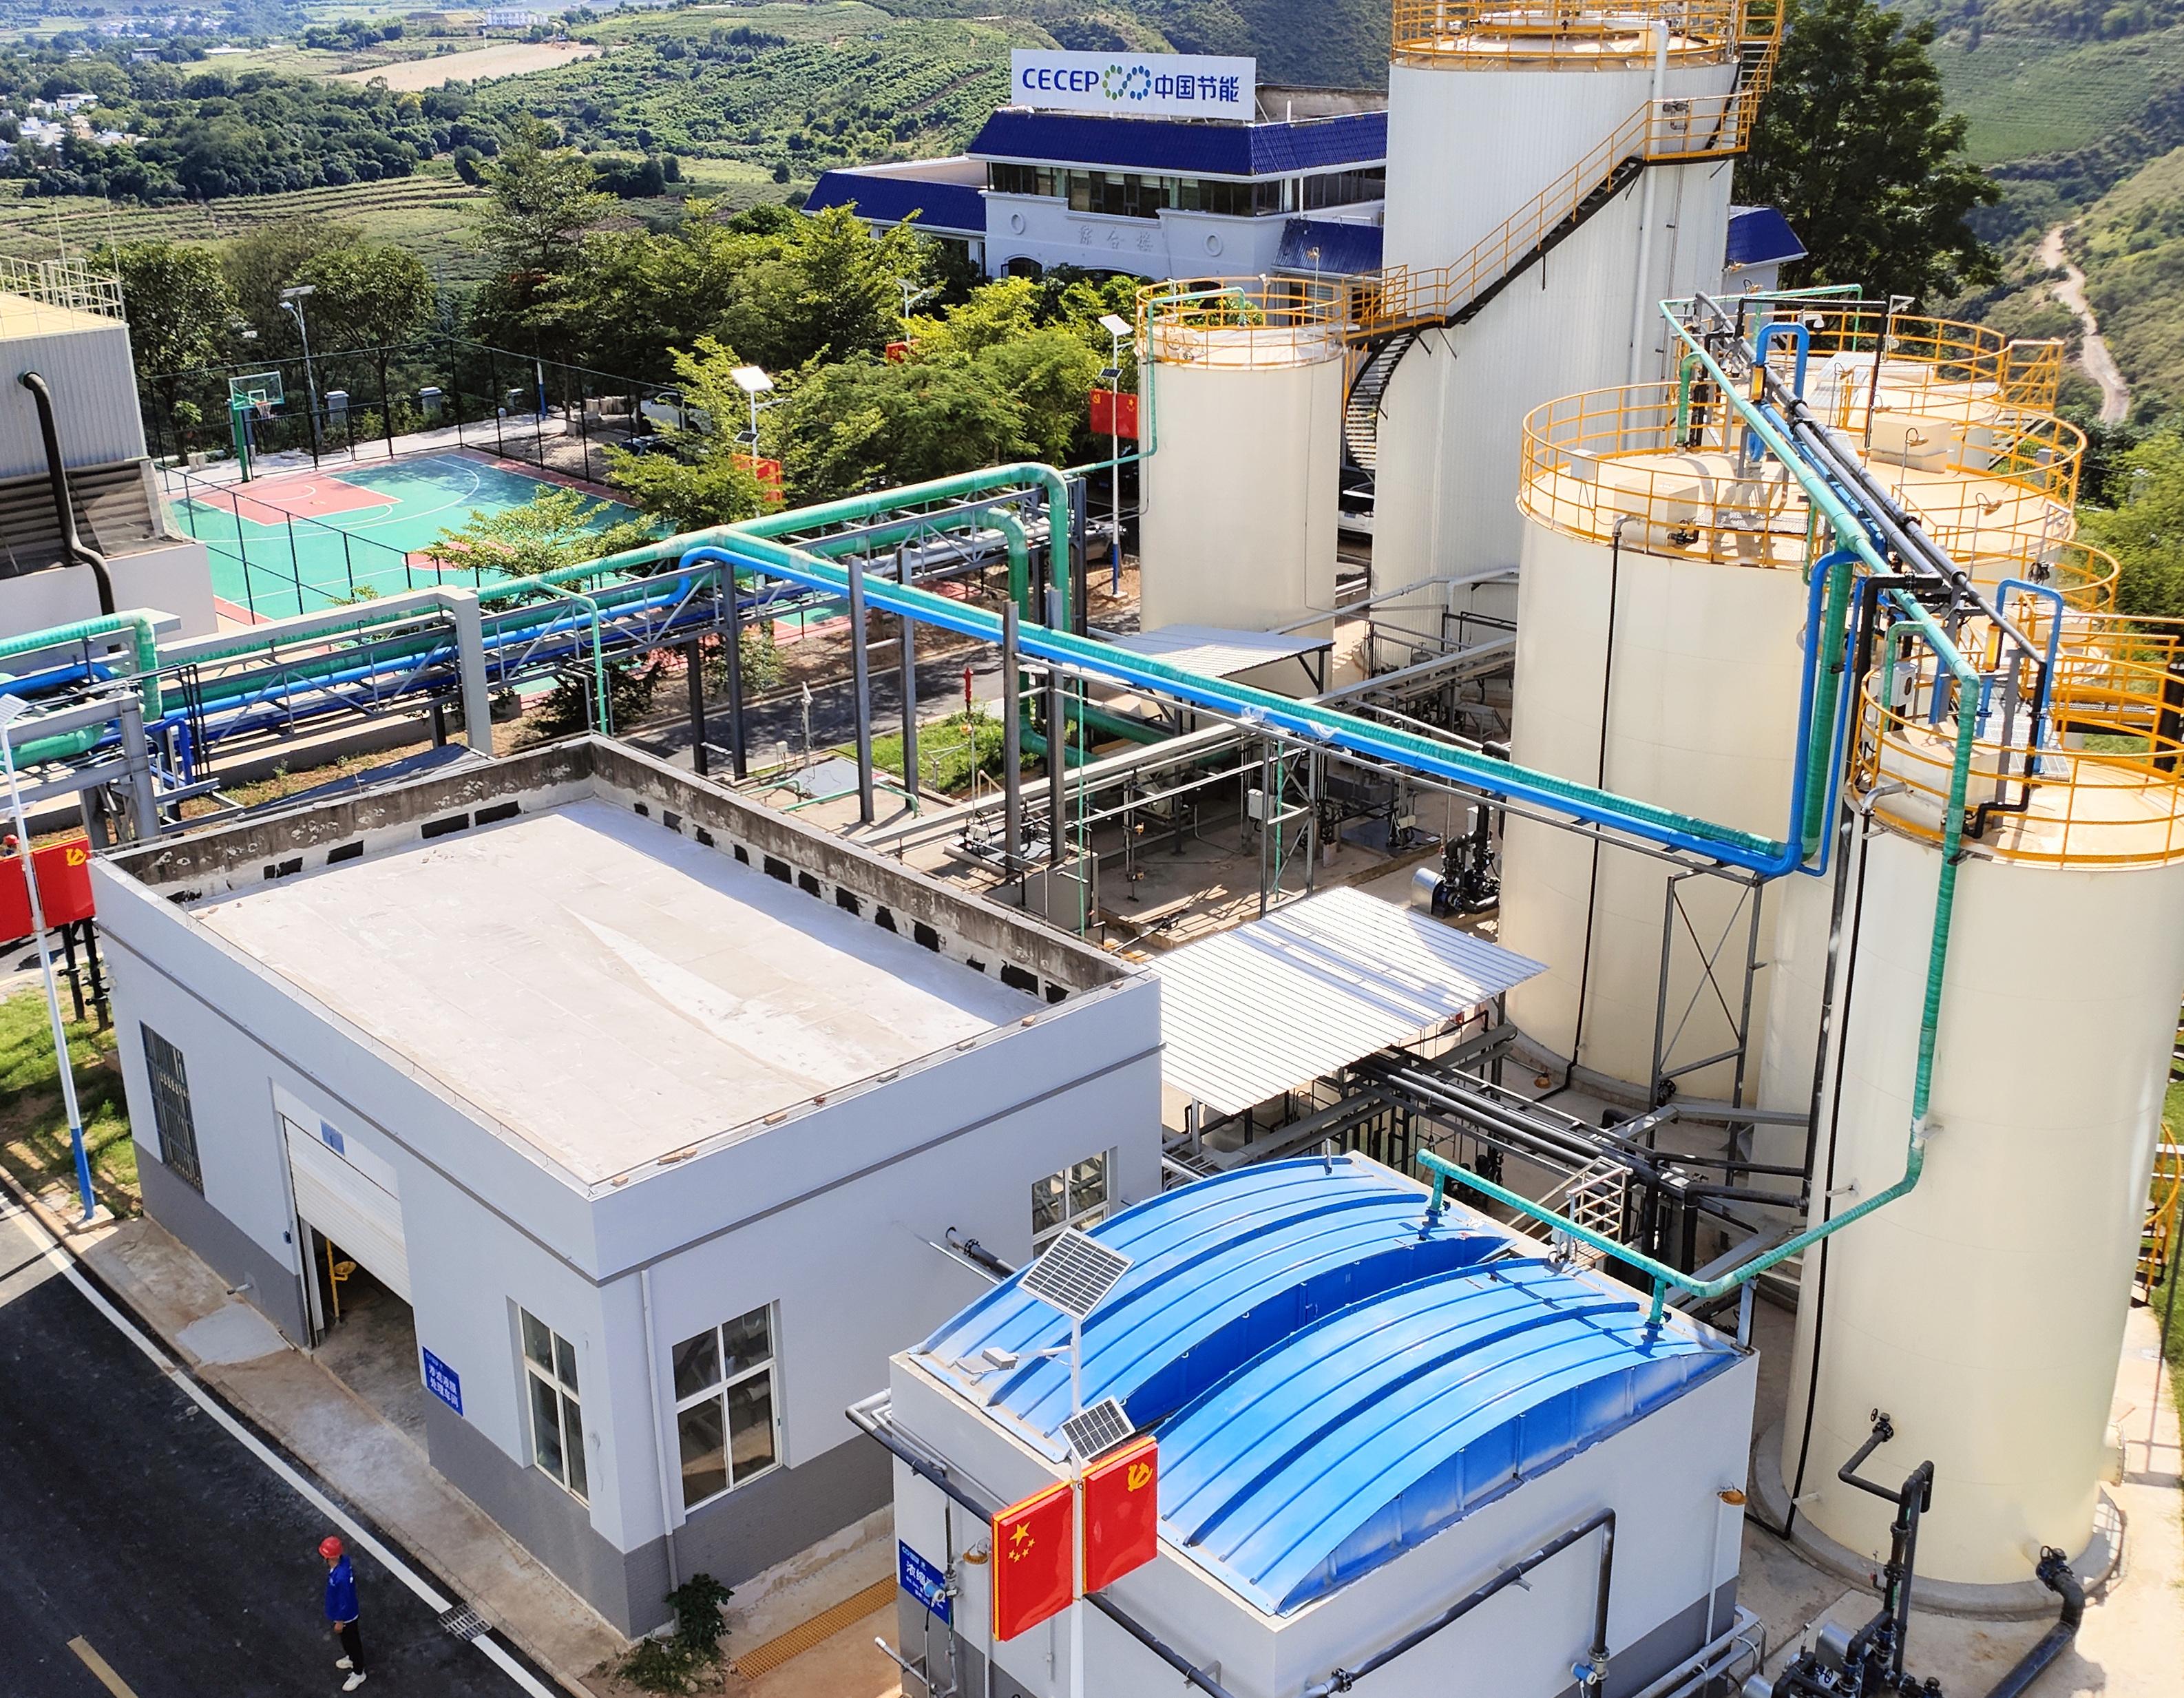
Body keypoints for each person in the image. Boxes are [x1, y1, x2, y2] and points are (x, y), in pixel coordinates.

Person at [320, 1535, 366, 1690]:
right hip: (345, 1613)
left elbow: (344, 1600)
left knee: (352, 1642)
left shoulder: (341, 1577)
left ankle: (358, 1672)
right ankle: (352, 1658)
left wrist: (339, 1620)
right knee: (348, 1641)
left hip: (346, 1617)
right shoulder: (343, 1565)